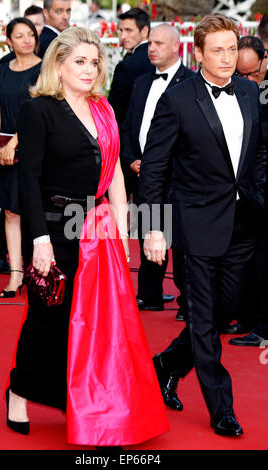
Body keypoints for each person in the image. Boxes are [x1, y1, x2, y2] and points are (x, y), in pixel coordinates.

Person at [5, 27, 169, 446]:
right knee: (48, 315)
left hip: (94, 228)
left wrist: (122, 229)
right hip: (52, 227)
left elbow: (113, 172)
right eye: (79, 61)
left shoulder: (103, 109)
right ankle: (20, 391)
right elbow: (29, 179)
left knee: (91, 323)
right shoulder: (37, 109)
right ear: (57, 66)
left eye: (94, 62)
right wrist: (38, 240)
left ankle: (74, 396)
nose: (88, 69)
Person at [139, 14, 267, 436]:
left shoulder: (248, 92)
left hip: (243, 223)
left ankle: (168, 363)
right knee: (205, 319)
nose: (228, 58)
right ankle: (222, 408)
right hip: (193, 225)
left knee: (229, 310)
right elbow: (153, 170)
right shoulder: (177, 100)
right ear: (198, 53)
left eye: (232, 49)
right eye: (218, 50)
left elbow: (259, 153)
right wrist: (153, 228)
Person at [121, 23, 194, 313]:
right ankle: (149, 295)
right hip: (143, 172)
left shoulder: (191, 82)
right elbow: (127, 126)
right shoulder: (141, 82)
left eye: (159, 44)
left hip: (177, 175)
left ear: (176, 46)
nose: (151, 48)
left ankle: (189, 302)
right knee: (147, 231)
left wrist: (159, 163)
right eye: (150, 43)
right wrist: (132, 159)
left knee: (181, 239)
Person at [0, 5, 46, 274]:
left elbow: (39, 115)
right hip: (3, 147)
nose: (27, 40)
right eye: (20, 35)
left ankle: (40, 270)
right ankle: (16, 274)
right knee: (10, 213)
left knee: (34, 211)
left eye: (31, 35)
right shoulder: (1, 70)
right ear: (8, 40)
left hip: (32, 147)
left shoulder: (44, 69)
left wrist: (13, 145)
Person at [228, 36, 268, 347]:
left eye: (252, 74)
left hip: (260, 188)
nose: (247, 81)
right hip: (246, 192)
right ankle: (247, 317)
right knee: (247, 258)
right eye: (240, 75)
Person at [108, 7, 154, 204]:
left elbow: (114, 109)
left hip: (130, 143)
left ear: (144, 31)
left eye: (128, 30)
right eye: (120, 30)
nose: (122, 36)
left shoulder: (128, 65)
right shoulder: (160, 60)